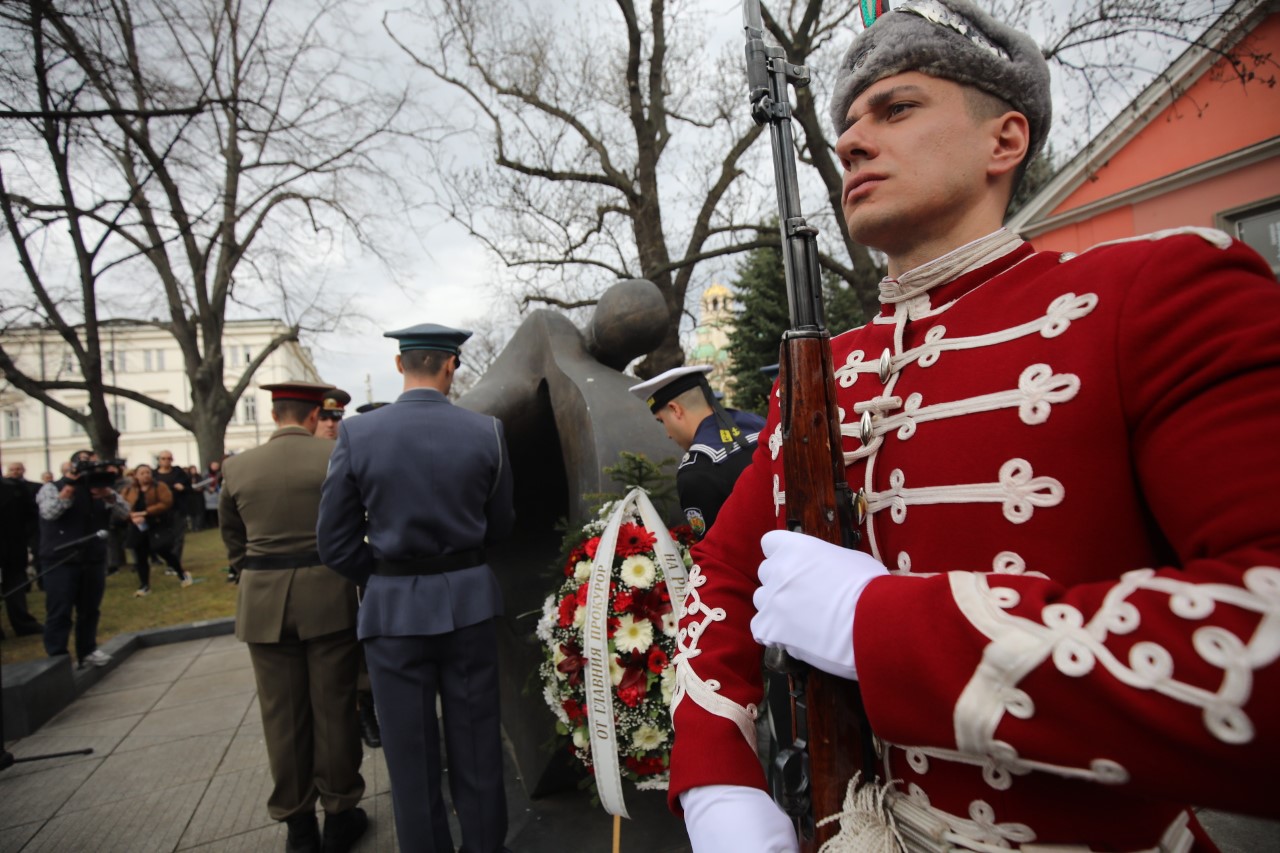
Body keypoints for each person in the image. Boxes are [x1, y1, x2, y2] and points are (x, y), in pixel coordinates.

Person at [668, 2, 1280, 851]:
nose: (849, 141)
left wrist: (879, 624)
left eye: (897, 108)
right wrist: (714, 781)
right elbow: (726, 578)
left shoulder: (1158, 291)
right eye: (846, 123)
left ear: (1006, 141)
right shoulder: (829, 372)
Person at [317, 323, 515, 853]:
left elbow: (333, 541)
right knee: (477, 744)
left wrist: (386, 580)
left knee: (410, 755)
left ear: (400, 366)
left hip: (392, 613)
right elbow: (500, 525)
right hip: (469, 602)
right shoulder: (488, 431)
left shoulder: (359, 434)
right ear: (451, 366)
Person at [219, 381, 368, 853]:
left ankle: (298, 827)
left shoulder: (236, 467)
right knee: (334, 710)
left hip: (263, 603)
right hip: (328, 597)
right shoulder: (332, 458)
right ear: (311, 416)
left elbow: (233, 541)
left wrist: (259, 576)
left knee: (281, 718)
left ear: (274, 412)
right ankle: (341, 815)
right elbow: (355, 524)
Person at [629, 365, 766, 539]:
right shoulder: (761, 424)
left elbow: (716, 554)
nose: (668, 434)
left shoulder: (697, 470)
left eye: (662, 421)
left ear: (675, 409)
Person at [316, 389, 382, 751]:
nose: (331, 424)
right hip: (327, 569)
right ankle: (360, 712)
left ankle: (370, 708)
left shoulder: (358, 450)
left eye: (337, 418)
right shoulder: (312, 458)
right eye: (325, 418)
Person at [36, 451, 130, 668]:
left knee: (90, 609)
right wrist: (69, 488)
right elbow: (49, 513)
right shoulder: (52, 488)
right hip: (61, 558)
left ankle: (87, 650)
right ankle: (57, 658)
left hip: (93, 557)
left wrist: (108, 494)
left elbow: (124, 511)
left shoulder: (98, 490)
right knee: (60, 610)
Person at [119, 463, 192, 596]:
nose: (145, 475)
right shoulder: (129, 490)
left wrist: (146, 513)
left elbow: (166, 503)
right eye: (142, 473)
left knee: (162, 549)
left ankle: (182, 573)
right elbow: (122, 506)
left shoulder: (159, 486)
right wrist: (131, 516)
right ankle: (144, 585)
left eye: (148, 472)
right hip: (137, 525)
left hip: (156, 523)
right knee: (140, 556)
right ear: (136, 475)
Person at [2, 461, 44, 637]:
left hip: (13, 544)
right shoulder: (12, 488)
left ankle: (22, 622)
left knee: (15, 585)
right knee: (15, 585)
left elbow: (31, 514)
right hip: (13, 543)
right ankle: (22, 623)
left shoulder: (13, 488)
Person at [152, 450, 192, 558]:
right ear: (159, 460)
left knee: (178, 535)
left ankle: (175, 559)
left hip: (177, 508)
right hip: (160, 510)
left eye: (169, 458)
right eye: (163, 458)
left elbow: (189, 489)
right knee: (163, 536)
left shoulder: (179, 473)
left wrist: (183, 488)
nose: (166, 461)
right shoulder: (154, 475)